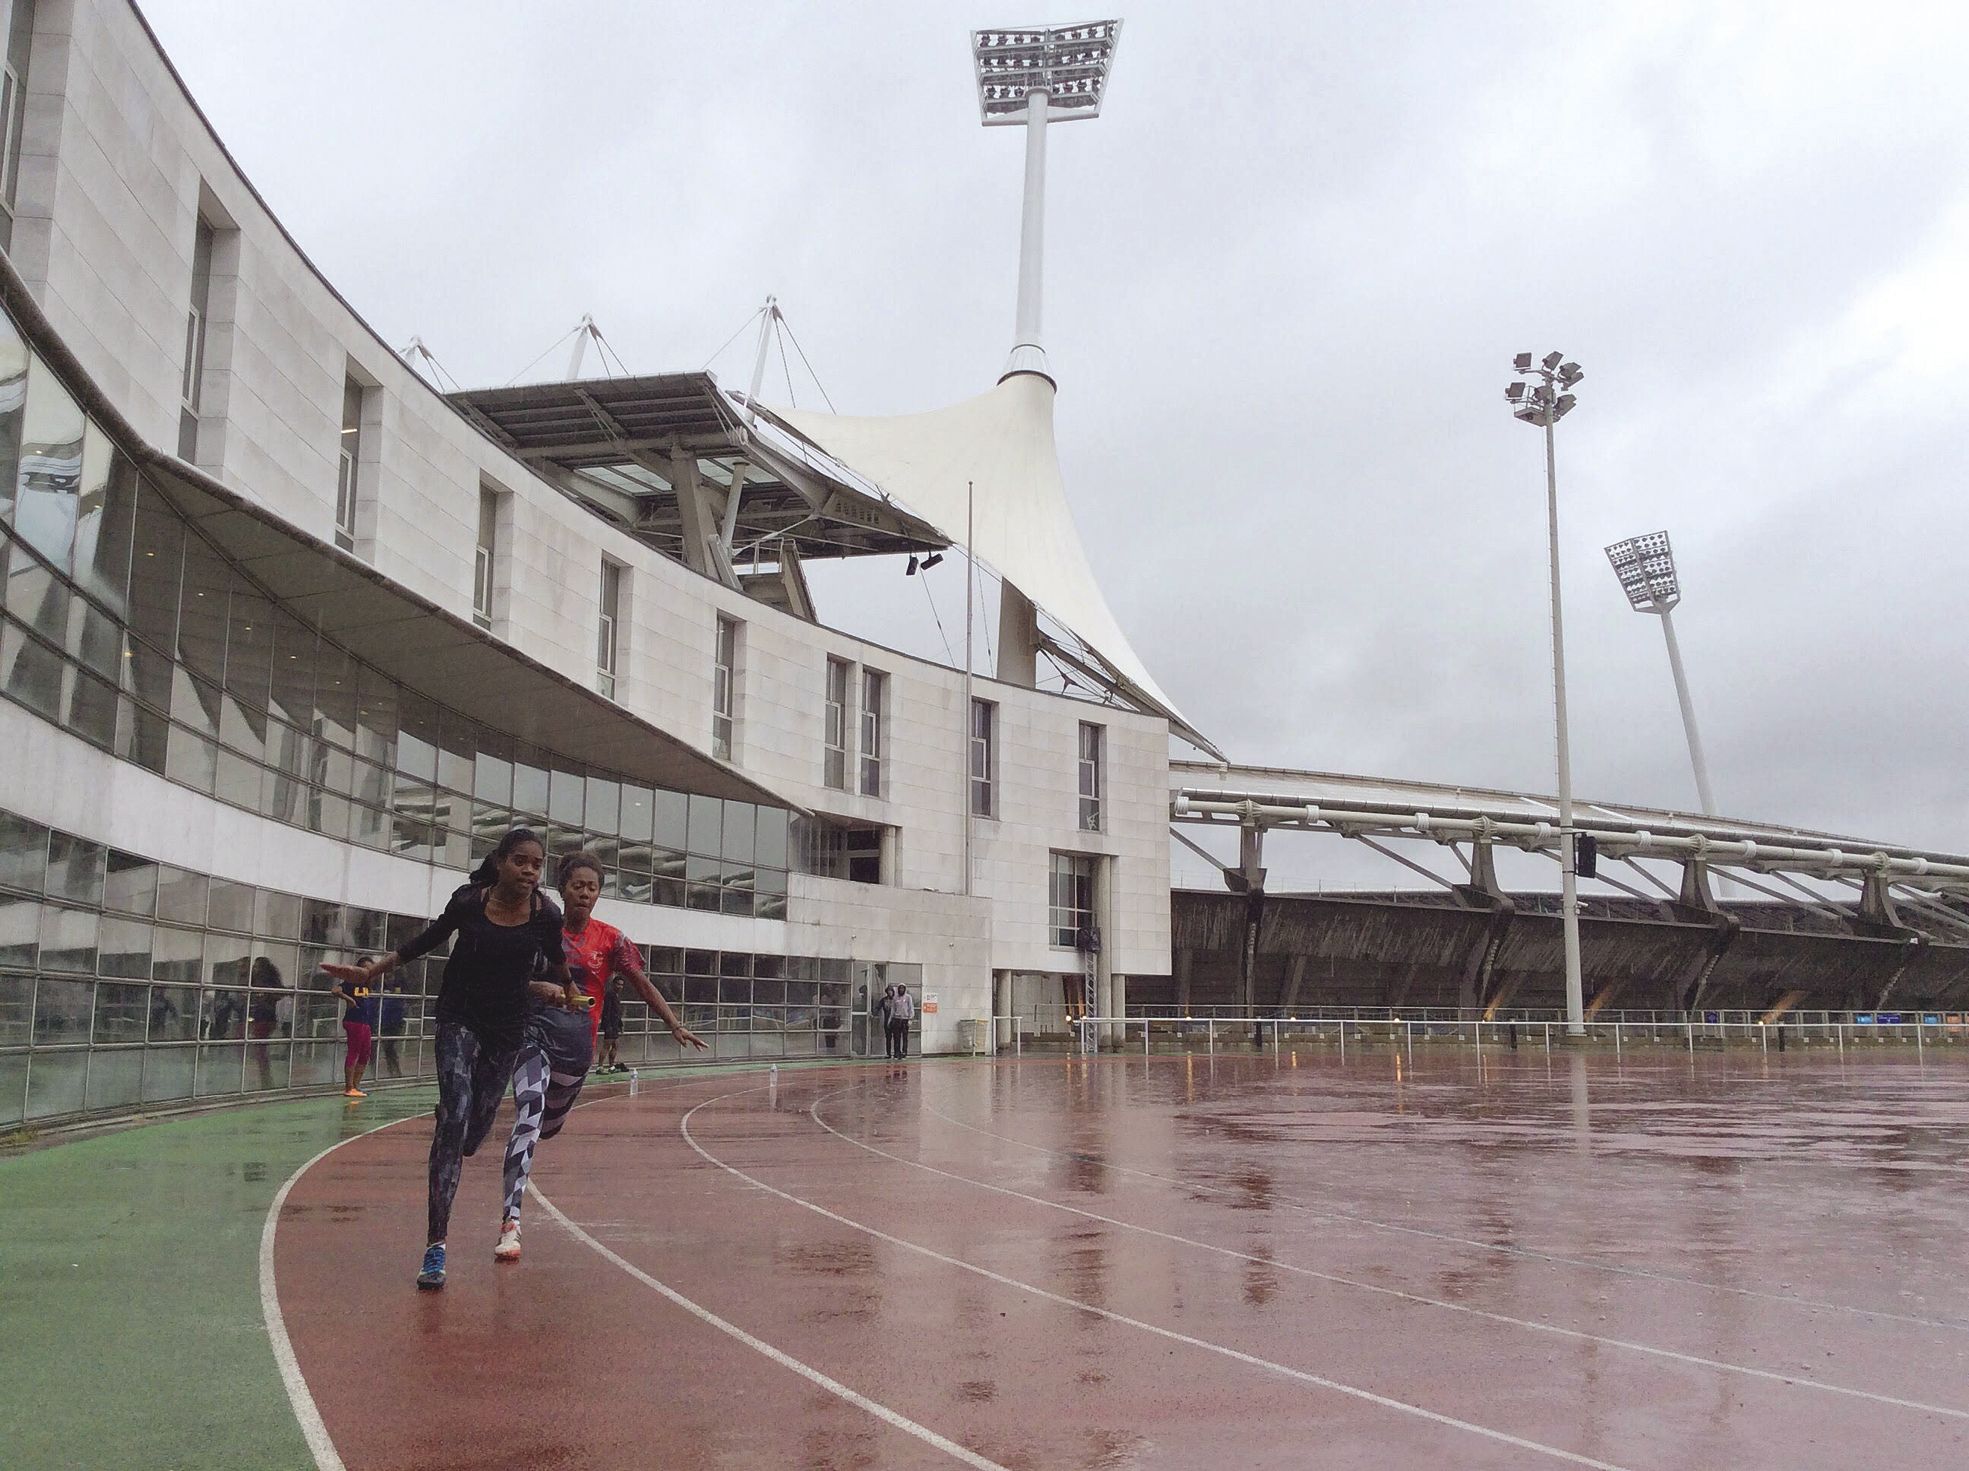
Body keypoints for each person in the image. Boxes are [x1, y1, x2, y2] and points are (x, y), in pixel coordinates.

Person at [321, 827, 573, 1291]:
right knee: (455, 1114)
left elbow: (557, 960)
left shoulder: (546, 915)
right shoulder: (468, 902)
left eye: (537, 865)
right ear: (499, 863)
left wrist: (570, 993)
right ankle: (436, 1246)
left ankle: (454, 1120)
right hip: (459, 1017)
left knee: (473, 1134)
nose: (529, 871)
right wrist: (372, 969)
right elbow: (426, 940)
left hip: (505, 1030)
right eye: (520, 860)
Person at [494, 852, 704, 1263]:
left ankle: (542, 1131)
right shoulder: (538, 931)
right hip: (532, 1036)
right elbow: (508, 977)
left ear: (598, 894)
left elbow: (641, 982)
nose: (585, 894)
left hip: (576, 1052)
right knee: (528, 1118)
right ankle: (511, 1221)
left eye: (592, 887)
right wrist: (544, 990)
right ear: (563, 889)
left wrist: (673, 1023)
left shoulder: (611, 939)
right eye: (578, 886)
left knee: (548, 1127)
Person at [331, 954, 380, 1098]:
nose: (367, 970)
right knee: (354, 1051)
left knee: (365, 1053)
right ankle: (349, 1086)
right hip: (354, 1021)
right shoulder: (351, 981)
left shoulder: (368, 984)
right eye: (364, 967)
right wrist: (349, 1000)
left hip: (365, 1022)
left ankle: (356, 1085)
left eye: (370, 968)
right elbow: (335, 990)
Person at [596, 973, 625, 1073]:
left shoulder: (617, 996)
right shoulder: (609, 994)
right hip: (610, 1025)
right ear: (614, 984)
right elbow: (606, 1011)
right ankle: (600, 1066)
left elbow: (617, 1012)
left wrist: (620, 1024)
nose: (620, 987)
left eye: (621, 985)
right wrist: (607, 1026)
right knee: (607, 1045)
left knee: (616, 1045)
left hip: (615, 1024)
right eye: (618, 984)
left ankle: (611, 1065)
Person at [891, 983, 915, 1060]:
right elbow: (893, 1009)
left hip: (905, 1019)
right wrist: (890, 1019)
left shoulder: (908, 997)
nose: (901, 990)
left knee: (905, 1037)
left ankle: (904, 1053)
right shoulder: (895, 998)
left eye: (903, 988)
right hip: (897, 1019)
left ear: (905, 989)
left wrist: (910, 1019)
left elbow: (911, 1008)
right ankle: (896, 1053)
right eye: (900, 988)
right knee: (896, 1037)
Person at [876, 984, 896, 1059]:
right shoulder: (883, 1000)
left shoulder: (895, 1000)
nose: (890, 992)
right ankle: (888, 1053)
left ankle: (896, 1052)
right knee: (888, 1037)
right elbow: (878, 1007)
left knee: (896, 1037)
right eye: (888, 991)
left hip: (895, 1020)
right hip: (887, 1020)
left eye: (891, 991)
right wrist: (874, 1013)